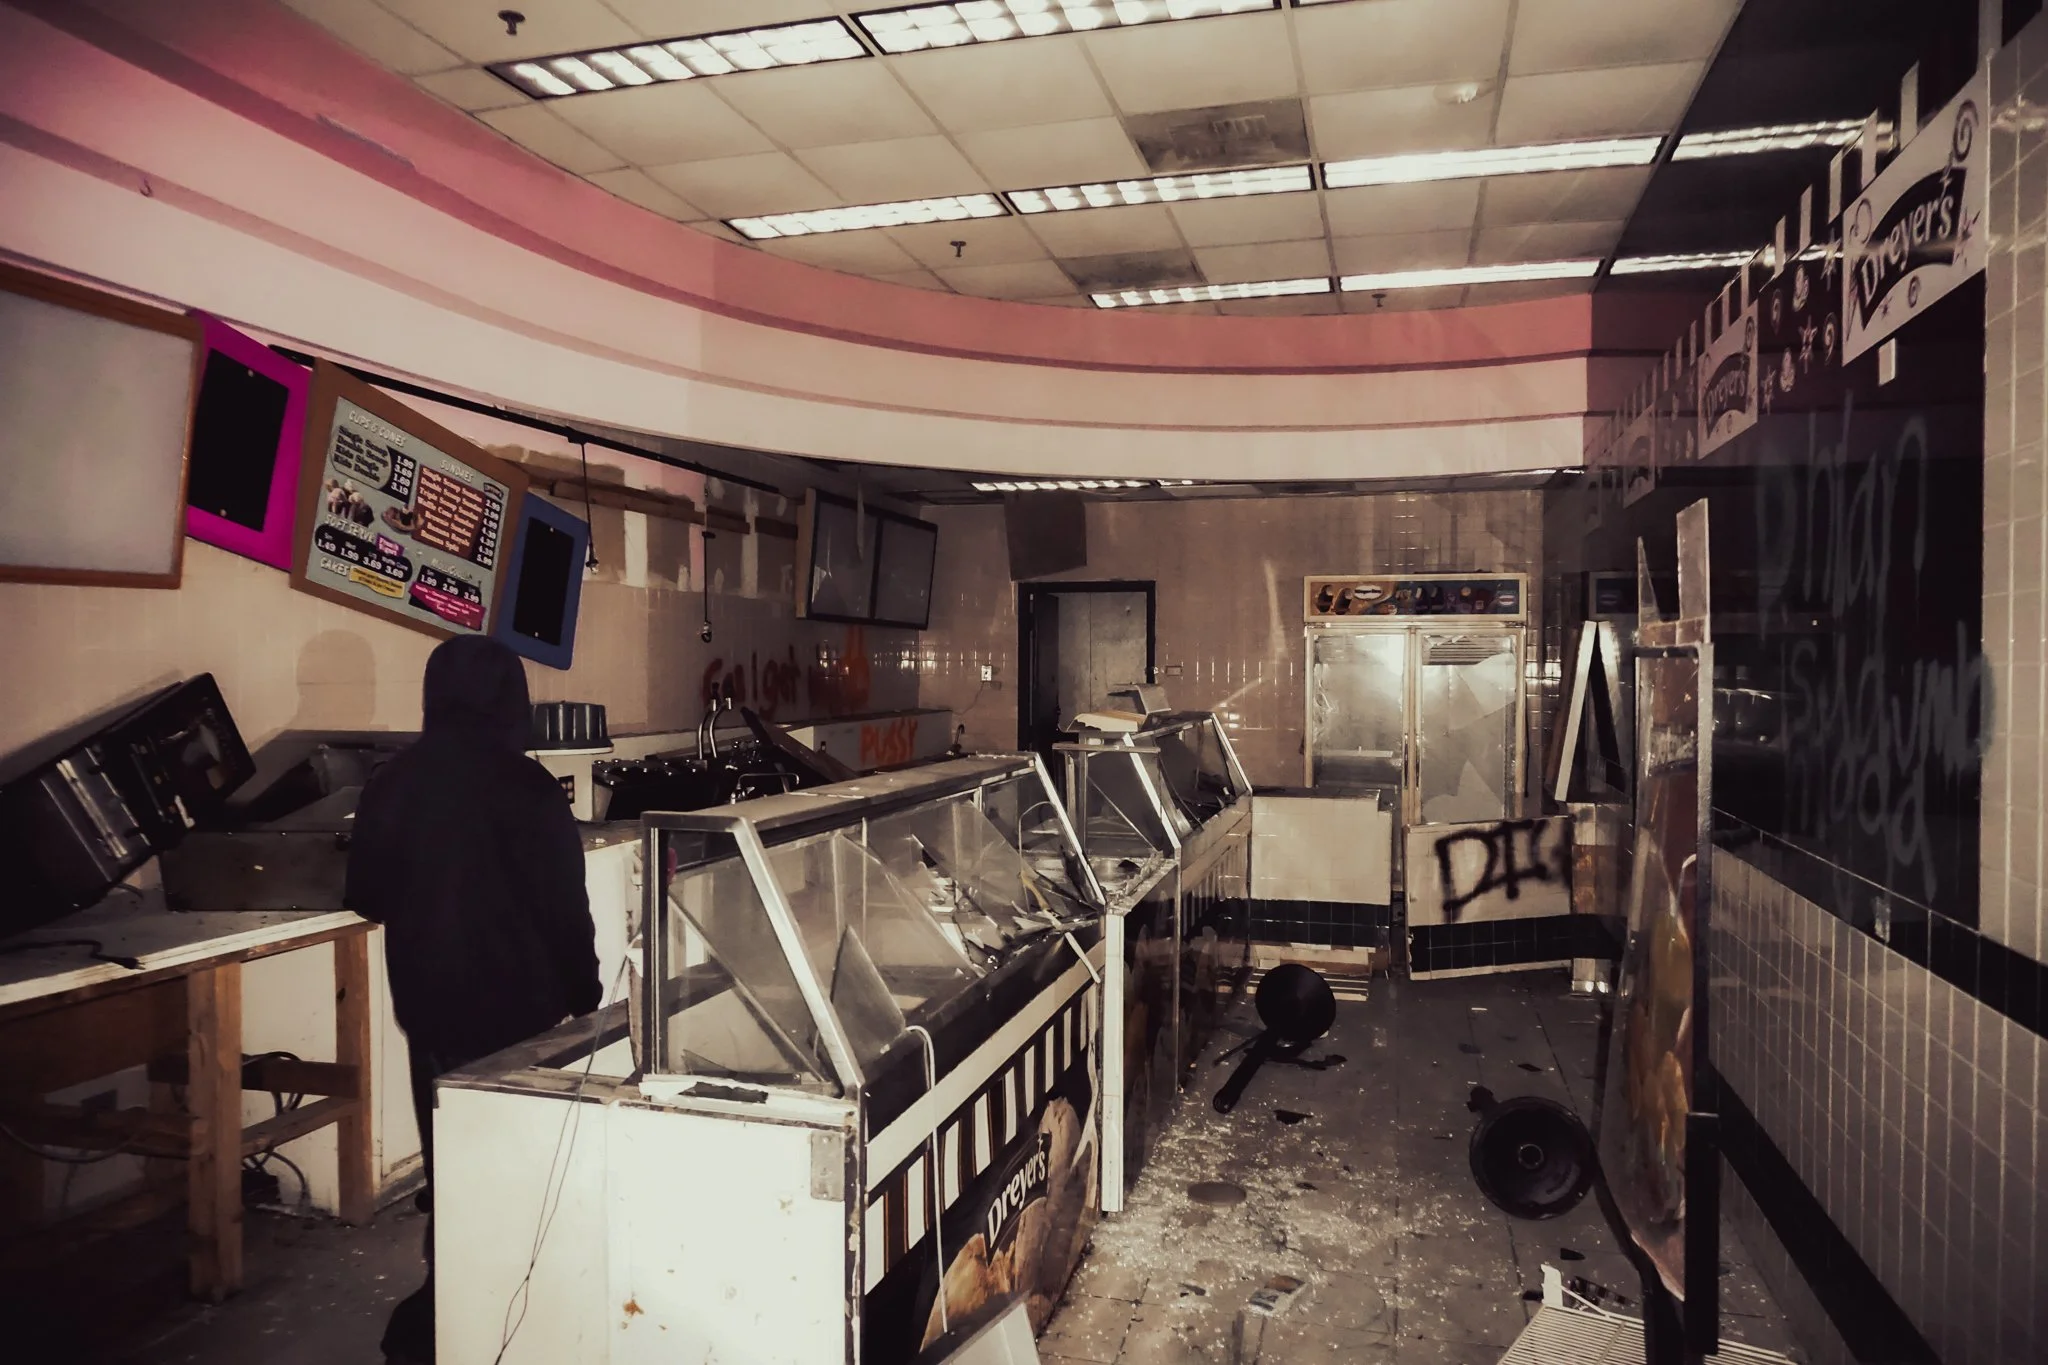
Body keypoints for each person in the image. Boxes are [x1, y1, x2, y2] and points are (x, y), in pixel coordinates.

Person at [345, 636, 600, 1364]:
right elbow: (564, 906)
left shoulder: (393, 782)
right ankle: (499, 1313)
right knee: (516, 1168)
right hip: (523, 1014)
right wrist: (584, 995)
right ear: (511, 699)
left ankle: (446, 1311)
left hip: (432, 1009)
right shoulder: (531, 787)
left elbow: (364, 894)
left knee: (451, 1162)